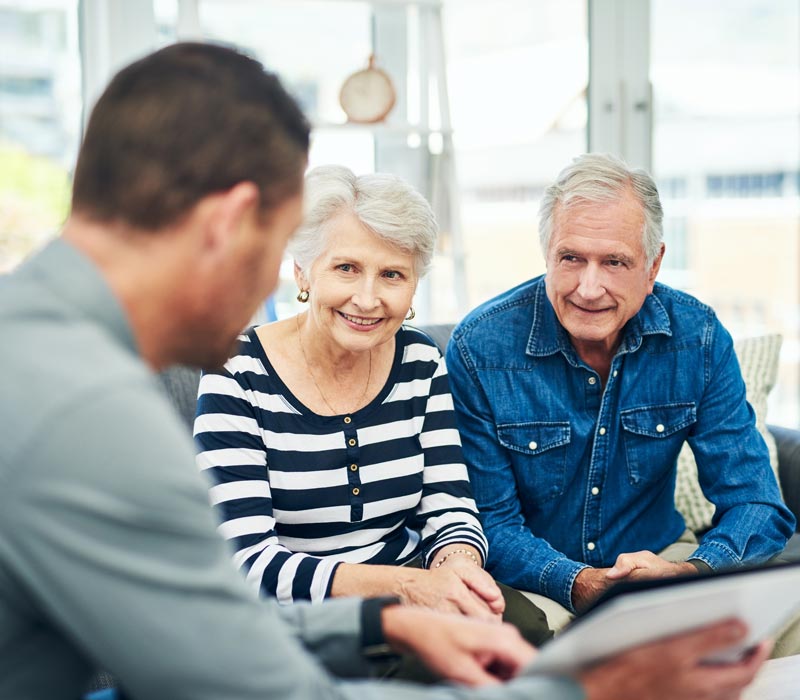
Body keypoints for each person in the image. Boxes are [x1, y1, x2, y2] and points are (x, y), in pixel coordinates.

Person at [0, 43, 769, 700]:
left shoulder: (36, 348)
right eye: (282, 250)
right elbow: (262, 685)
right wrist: (587, 686)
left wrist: (383, 618)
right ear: (229, 225)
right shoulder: (93, 414)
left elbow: (186, 617)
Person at [194, 164, 549, 647]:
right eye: (346, 268)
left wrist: (456, 570)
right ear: (302, 271)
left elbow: (451, 507)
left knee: (520, 632)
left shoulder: (419, 358)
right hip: (297, 614)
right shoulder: (234, 369)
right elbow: (247, 559)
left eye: (391, 275)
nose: (367, 299)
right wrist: (405, 587)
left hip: (416, 582)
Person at [446, 152, 796, 628]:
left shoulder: (698, 338)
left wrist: (690, 573)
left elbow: (756, 502)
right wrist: (578, 582)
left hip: (662, 560)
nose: (589, 288)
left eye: (614, 262)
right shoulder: (480, 347)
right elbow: (492, 523)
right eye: (571, 258)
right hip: (534, 581)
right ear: (547, 253)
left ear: (653, 266)